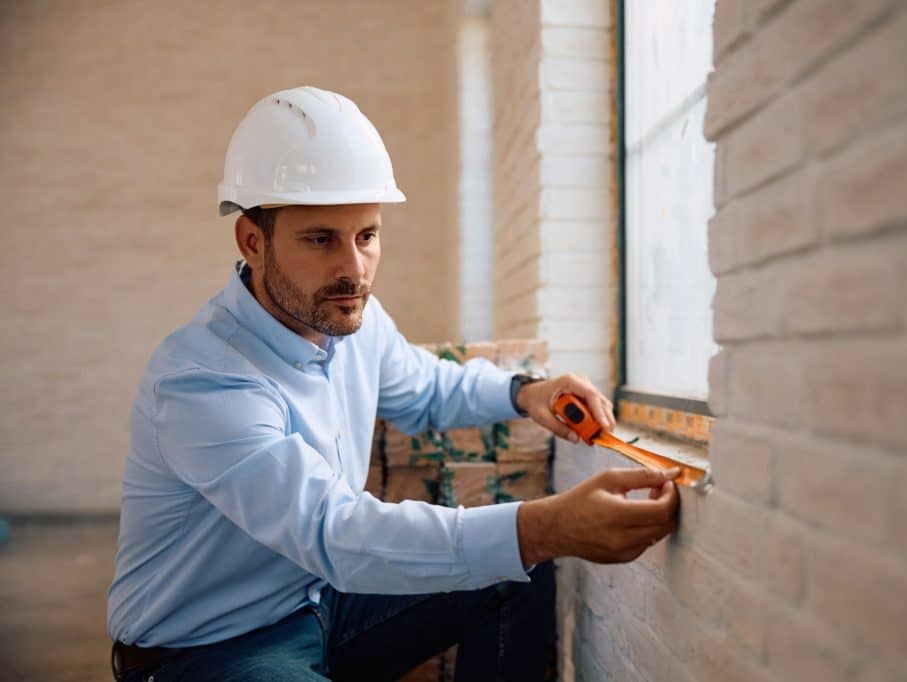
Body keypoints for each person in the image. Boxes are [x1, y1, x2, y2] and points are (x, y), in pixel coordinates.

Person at [107, 86, 680, 681]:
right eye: (321, 239)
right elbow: (333, 532)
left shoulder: (349, 318)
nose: (353, 268)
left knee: (520, 566)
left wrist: (527, 392)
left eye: (367, 236)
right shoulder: (202, 379)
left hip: (321, 605)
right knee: (526, 541)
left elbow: (424, 389)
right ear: (253, 241)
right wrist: (546, 524)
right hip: (208, 653)